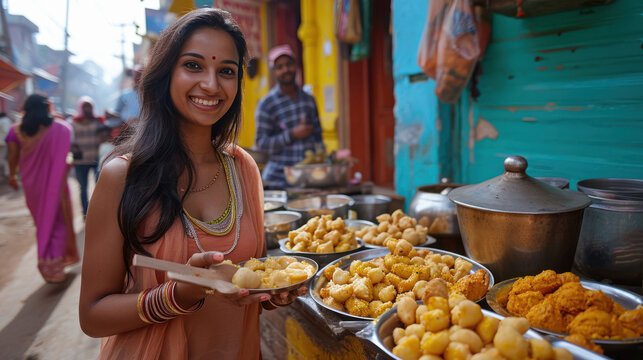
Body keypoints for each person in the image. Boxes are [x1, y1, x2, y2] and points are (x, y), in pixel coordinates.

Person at [79, 8, 305, 360]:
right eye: (194, 65)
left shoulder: (243, 168)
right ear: (165, 73)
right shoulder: (122, 177)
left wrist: (272, 293)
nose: (211, 85)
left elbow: (249, 279)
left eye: (226, 71)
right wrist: (176, 297)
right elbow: (92, 316)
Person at [4, 94, 79, 283]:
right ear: (47, 107)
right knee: (57, 220)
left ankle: (49, 265)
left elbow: (12, 158)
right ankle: (56, 267)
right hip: (57, 185)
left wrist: (12, 175)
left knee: (43, 222)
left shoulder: (16, 131)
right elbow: (64, 156)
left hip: (31, 185)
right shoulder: (61, 129)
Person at [254, 44, 325, 189]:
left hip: (308, 179)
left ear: (296, 66)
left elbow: (318, 137)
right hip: (278, 180)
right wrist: (292, 135)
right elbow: (261, 144)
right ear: (274, 71)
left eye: (289, 64)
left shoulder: (309, 100)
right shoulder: (267, 104)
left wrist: (324, 161)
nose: (285, 69)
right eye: (279, 67)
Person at [70, 96, 104, 216]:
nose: (87, 109)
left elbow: (105, 136)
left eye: (89, 106)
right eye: (85, 107)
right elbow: (70, 140)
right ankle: (85, 212)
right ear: (81, 108)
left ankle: (97, 211)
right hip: (80, 161)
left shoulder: (98, 121)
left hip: (96, 159)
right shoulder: (73, 122)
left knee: (98, 187)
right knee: (83, 187)